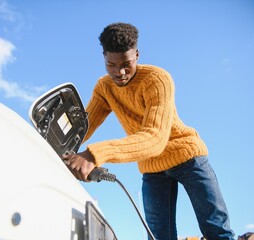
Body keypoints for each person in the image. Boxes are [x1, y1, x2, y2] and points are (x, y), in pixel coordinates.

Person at [63, 22, 235, 240]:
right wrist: (59, 149)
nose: (120, 72)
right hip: (152, 167)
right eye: (111, 65)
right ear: (104, 57)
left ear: (137, 54)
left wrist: (93, 155)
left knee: (216, 227)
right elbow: (83, 127)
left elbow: (155, 138)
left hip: (187, 156)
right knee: (158, 236)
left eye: (127, 64)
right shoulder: (104, 87)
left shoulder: (157, 79)